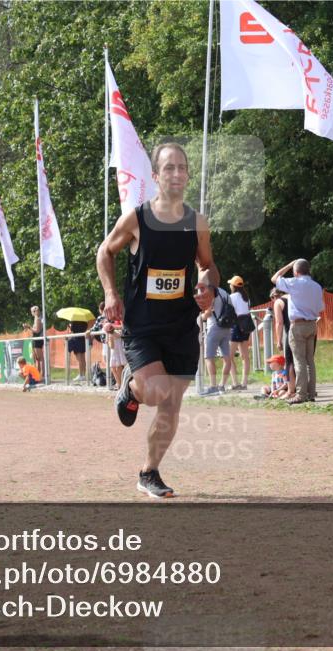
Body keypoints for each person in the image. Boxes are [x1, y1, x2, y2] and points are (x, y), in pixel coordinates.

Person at [96, 141, 218, 498]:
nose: (176, 173)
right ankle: (130, 388)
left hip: (181, 324)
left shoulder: (197, 222)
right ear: (155, 176)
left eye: (182, 167)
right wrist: (110, 294)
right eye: (169, 168)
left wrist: (207, 284)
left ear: (188, 175)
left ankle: (149, 472)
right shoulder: (137, 218)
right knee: (154, 390)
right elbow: (105, 251)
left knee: (171, 402)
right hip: (143, 325)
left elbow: (208, 265)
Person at [271, 258, 325, 404]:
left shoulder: (294, 283)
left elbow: (274, 278)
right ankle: (311, 393)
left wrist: (288, 264)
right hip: (312, 324)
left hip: (298, 325)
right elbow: (321, 308)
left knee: (299, 361)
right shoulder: (316, 286)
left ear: (296, 271)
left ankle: (300, 394)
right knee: (310, 361)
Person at [201, 286, 235, 395]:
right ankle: (222, 385)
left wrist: (202, 317)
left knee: (208, 358)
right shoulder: (224, 292)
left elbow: (208, 313)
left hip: (214, 328)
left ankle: (213, 386)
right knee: (227, 358)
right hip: (227, 327)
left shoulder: (211, 292)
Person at [226, 276, 252, 390]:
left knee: (229, 356)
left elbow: (230, 313)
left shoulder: (231, 297)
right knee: (245, 356)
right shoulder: (247, 298)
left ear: (233, 286)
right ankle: (244, 383)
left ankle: (235, 383)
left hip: (236, 326)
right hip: (246, 326)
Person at [270, 289, 295, 399]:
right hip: (307, 327)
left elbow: (279, 323)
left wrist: (279, 340)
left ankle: (290, 390)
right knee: (304, 362)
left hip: (291, 332)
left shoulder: (278, 302)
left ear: (273, 297)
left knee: (289, 362)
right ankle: (306, 389)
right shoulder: (293, 296)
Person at [64, 317, 89, 382]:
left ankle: (81, 375)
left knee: (79, 359)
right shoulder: (84, 321)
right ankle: (84, 375)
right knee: (83, 358)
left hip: (76, 340)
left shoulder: (74, 321)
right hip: (83, 339)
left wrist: (70, 326)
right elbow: (85, 328)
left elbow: (72, 330)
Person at [26, 306, 46, 378]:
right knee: (37, 358)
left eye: (32, 311)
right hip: (36, 339)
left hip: (38, 339)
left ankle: (42, 375)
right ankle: (38, 374)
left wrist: (29, 327)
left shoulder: (38, 318)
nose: (32, 313)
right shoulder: (37, 318)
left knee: (40, 358)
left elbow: (37, 330)